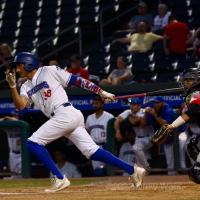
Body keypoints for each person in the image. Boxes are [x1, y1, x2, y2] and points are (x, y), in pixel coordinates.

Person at [5, 52, 146, 192]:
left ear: (29, 64)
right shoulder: (25, 86)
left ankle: (59, 178)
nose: (17, 70)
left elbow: (77, 81)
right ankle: (133, 170)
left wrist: (101, 92)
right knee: (92, 151)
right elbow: (21, 106)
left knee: (32, 143)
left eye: (19, 66)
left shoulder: (49, 70)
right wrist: (12, 87)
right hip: (64, 117)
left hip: (65, 113)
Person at [166, 68, 200, 182]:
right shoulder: (193, 95)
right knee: (192, 145)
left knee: (196, 172)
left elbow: (192, 112)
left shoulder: (197, 93)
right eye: (185, 80)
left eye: (190, 80)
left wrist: (172, 126)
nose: (186, 83)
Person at [115, 98, 153, 171]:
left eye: (134, 105)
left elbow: (142, 124)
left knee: (136, 148)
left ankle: (147, 167)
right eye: (131, 104)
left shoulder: (143, 111)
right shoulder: (128, 112)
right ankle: (146, 176)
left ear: (139, 106)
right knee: (138, 160)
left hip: (149, 137)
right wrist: (118, 131)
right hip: (139, 138)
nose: (132, 106)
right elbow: (117, 120)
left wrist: (134, 118)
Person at [144, 96, 175, 174]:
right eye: (154, 103)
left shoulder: (167, 109)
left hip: (175, 133)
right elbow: (144, 124)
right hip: (161, 133)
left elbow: (166, 124)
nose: (155, 104)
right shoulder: (152, 108)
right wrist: (145, 114)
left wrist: (155, 115)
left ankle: (173, 174)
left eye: (157, 103)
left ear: (162, 103)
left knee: (170, 155)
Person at [86, 96, 114, 176]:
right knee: (98, 171)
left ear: (102, 104)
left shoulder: (109, 117)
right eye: (93, 103)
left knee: (108, 170)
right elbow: (87, 133)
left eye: (97, 103)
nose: (95, 105)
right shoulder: (89, 118)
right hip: (94, 147)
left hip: (106, 146)